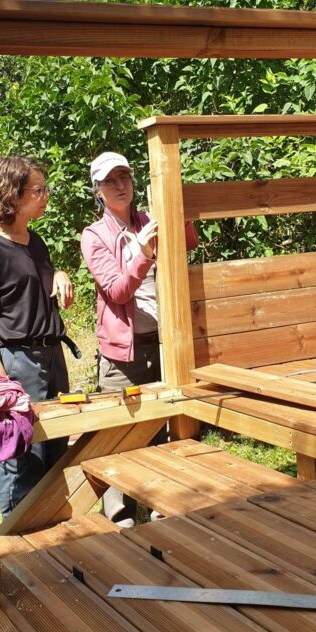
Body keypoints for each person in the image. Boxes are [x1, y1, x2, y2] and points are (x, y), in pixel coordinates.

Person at [80, 151, 197, 526]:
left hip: (164, 345)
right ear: (97, 190)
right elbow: (116, 291)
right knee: (119, 437)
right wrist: (144, 254)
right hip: (122, 355)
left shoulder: (150, 219)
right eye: (110, 180)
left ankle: (164, 506)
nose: (120, 185)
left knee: (164, 431)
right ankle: (120, 518)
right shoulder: (94, 236)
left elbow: (187, 245)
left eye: (125, 177)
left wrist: (185, 211)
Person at [0, 155, 75, 516]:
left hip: (53, 357)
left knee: (58, 448)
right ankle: (17, 544)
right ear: (13, 196)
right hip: (17, 363)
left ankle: (57, 530)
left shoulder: (36, 242)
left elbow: (36, 283)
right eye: (39, 189)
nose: (45, 195)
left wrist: (59, 274)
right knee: (22, 454)